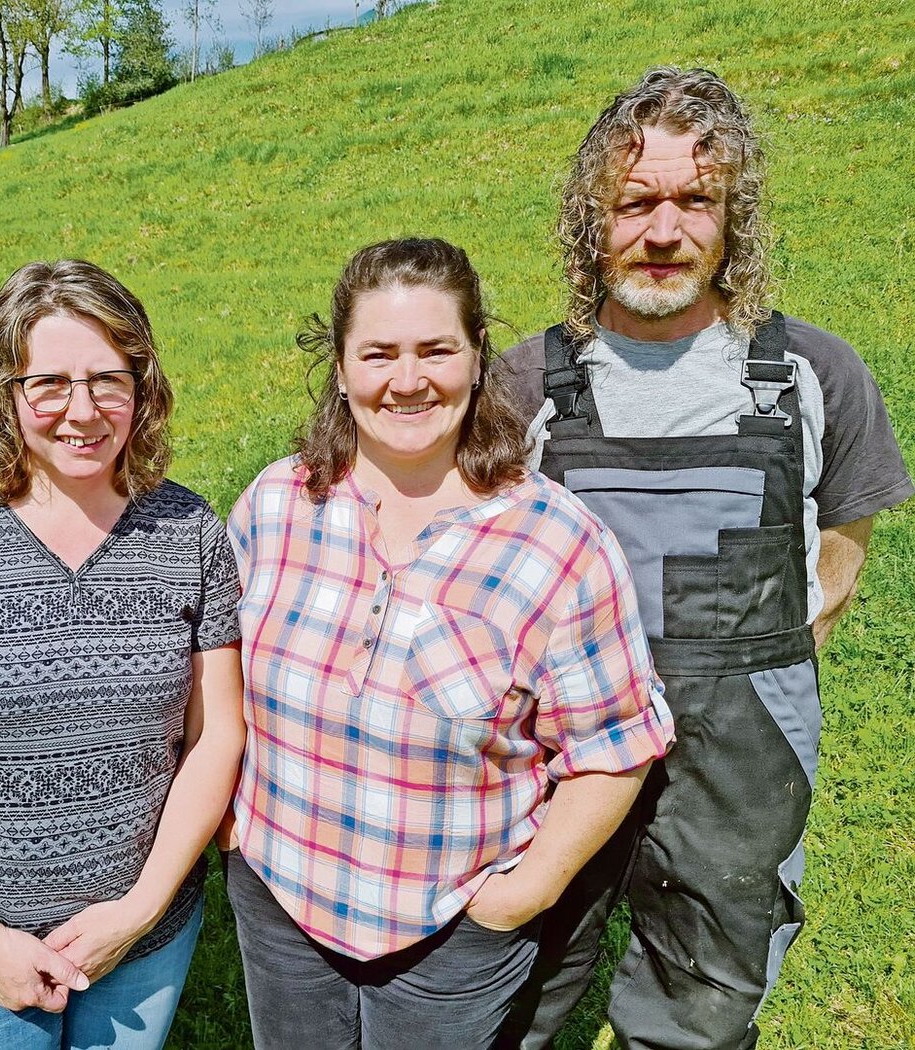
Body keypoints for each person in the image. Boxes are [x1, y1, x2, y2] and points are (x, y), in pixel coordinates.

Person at [498, 68, 914, 1049]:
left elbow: (839, 555)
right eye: (633, 202)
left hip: (745, 747)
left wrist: (754, 673)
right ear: (588, 221)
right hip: (560, 740)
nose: (662, 230)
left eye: (695, 200)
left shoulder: (815, 372)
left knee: (707, 995)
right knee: (520, 974)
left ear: (734, 218)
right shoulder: (521, 381)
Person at [223, 237, 674, 1050]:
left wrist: (521, 894)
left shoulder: (557, 544)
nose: (407, 380)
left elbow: (615, 748)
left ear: (475, 358)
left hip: (448, 927)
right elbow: (216, 678)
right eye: (379, 354)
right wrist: (235, 832)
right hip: (279, 893)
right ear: (340, 366)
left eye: (436, 350)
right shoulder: (277, 503)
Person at [0, 258, 245, 1050]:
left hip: (140, 949)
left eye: (109, 379)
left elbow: (215, 738)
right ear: (5, 392)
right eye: (49, 383)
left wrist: (135, 915)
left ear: (144, 385)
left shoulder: (189, 532)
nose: (83, 411)